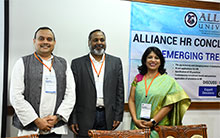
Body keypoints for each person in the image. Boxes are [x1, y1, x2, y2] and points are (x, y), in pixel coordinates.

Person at [10, 27, 76, 138]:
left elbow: (70, 94)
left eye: (49, 39)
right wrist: (36, 120)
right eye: (41, 38)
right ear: (34, 41)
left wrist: (57, 117)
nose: (45, 42)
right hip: (30, 129)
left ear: (54, 42)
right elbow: (15, 96)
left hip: (55, 127)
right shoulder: (22, 63)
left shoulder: (63, 63)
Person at [68, 29, 124, 138]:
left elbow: (120, 91)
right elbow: (72, 93)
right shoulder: (77, 64)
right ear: (89, 42)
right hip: (83, 117)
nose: (99, 43)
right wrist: (73, 119)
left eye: (102, 40)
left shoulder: (116, 62)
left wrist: (118, 116)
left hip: (107, 116)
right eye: (95, 40)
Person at [128, 46, 191, 138]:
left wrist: (153, 122)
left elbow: (169, 105)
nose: (153, 60)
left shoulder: (168, 81)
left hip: (158, 128)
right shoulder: (138, 78)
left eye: (156, 58)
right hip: (138, 126)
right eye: (150, 57)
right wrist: (135, 119)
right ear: (144, 60)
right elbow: (131, 100)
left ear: (161, 61)